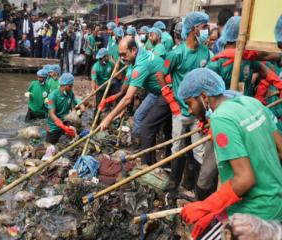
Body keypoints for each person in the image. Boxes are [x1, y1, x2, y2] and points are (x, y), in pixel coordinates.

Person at [178, 68, 282, 239]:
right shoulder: (251, 102)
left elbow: (244, 179)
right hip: (276, 202)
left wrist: (206, 206)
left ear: (204, 97)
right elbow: (280, 150)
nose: (189, 110)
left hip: (255, 213)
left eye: (189, 103)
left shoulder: (221, 119)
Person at [159, 12, 211, 191]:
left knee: (199, 151)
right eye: (204, 27)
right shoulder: (176, 53)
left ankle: (198, 190)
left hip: (199, 113)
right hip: (180, 111)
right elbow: (160, 74)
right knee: (177, 147)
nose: (207, 31)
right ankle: (174, 185)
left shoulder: (205, 52)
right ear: (193, 29)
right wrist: (170, 99)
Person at [99, 36, 172, 165]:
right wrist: (119, 104)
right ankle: (151, 160)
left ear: (133, 50)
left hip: (168, 92)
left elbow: (128, 98)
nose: (122, 58)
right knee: (142, 120)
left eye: (123, 54)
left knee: (147, 126)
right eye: (119, 55)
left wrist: (108, 119)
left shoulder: (141, 64)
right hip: (156, 92)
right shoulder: (135, 58)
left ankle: (146, 165)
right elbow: (125, 89)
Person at [206, 16, 282, 98]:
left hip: (246, 107)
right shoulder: (217, 63)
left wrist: (279, 84)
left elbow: (261, 68)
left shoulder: (247, 58)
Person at [46, 73, 78, 144]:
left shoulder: (71, 94)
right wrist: (62, 126)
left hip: (65, 121)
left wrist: (75, 121)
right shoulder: (52, 96)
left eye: (72, 85)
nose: (72, 88)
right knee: (49, 145)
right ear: (64, 85)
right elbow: (51, 114)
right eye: (70, 86)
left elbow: (73, 109)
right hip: (54, 126)